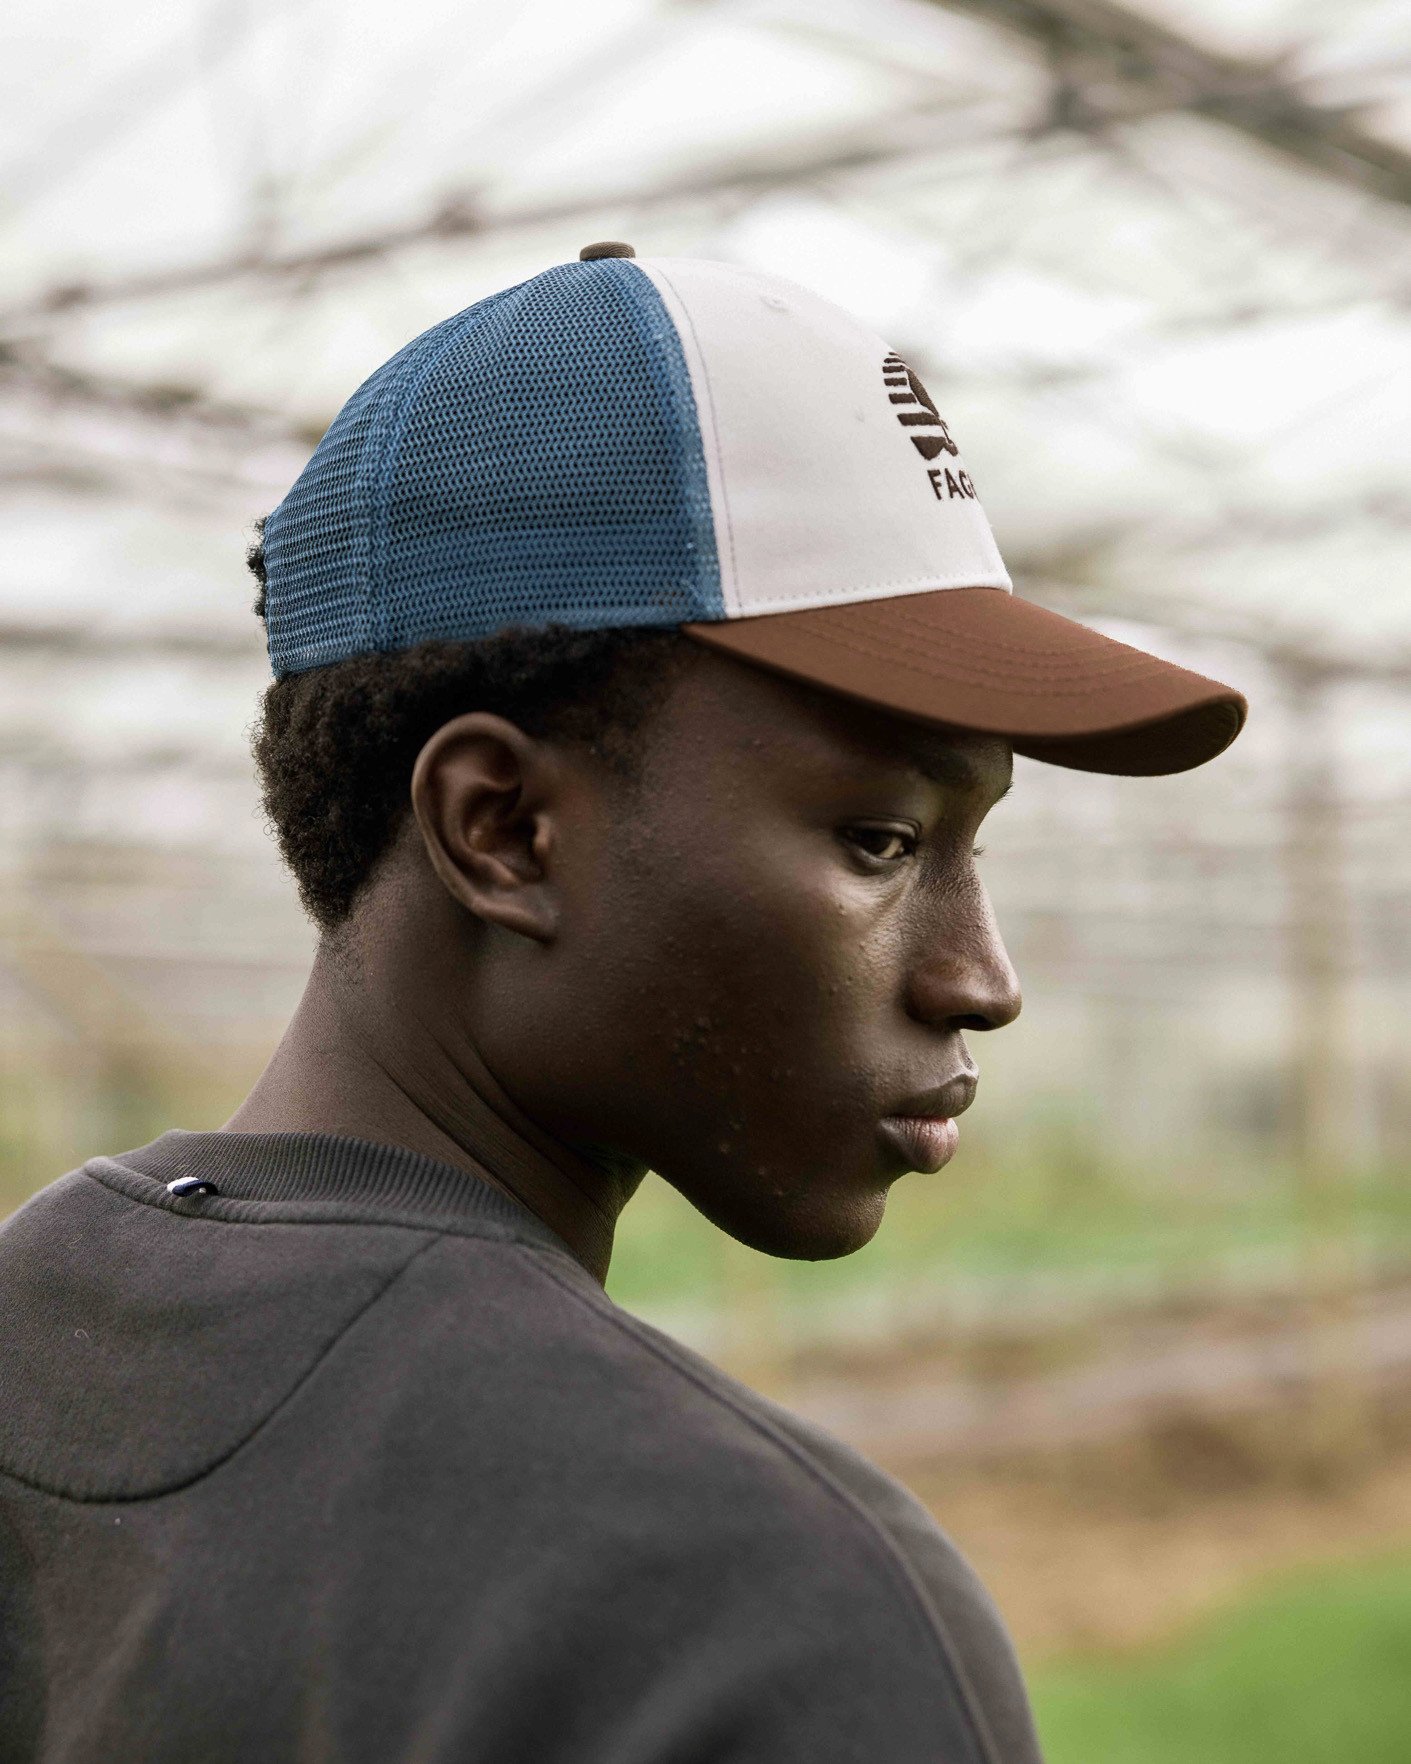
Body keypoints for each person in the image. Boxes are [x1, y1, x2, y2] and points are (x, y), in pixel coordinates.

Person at [0, 243, 1245, 1763]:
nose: (983, 979)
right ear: (503, 827)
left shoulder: (41, 1317)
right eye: (883, 841)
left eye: (972, 846)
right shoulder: (767, 1617)